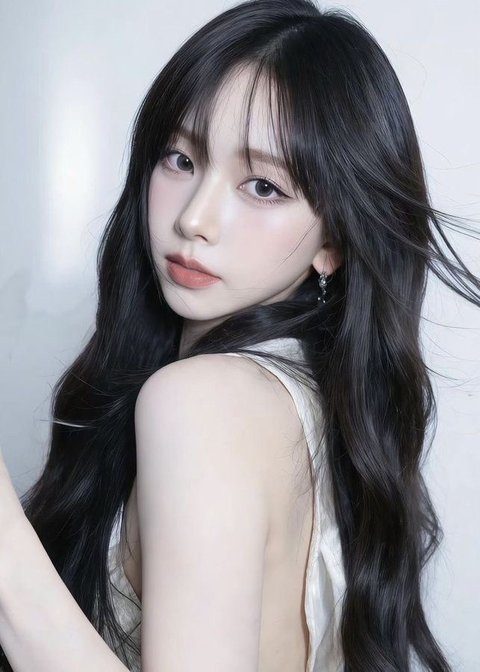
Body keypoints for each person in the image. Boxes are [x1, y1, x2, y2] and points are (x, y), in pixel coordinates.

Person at [0, 0, 478, 670]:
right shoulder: (313, 405)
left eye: (263, 187)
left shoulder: (203, 403)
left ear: (334, 241)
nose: (195, 218)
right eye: (180, 158)